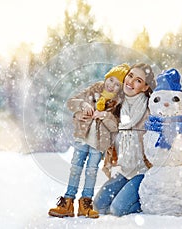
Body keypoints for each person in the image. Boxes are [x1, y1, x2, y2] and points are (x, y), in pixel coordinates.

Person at [48, 63, 130, 218]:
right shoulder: (95, 89)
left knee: (91, 171)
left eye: (118, 84)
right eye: (111, 80)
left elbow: (115, 127)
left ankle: (86, 202)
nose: (112, 85)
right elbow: (71, 102)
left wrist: (105, 116)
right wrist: (82, 105)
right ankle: (68, 201)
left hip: (99, 143)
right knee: (75, 167)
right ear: (107, 77)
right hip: (82, 137)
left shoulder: (118, 103)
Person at [93, 62, 157, 217]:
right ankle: (127, 190)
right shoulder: (118, 105)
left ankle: (150, 201)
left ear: (145, 87)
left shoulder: (150, 110)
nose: (130, 81)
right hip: (125, 169)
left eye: (138, 80)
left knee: (118, 209)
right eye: (130, 76)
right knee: (98, 205)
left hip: (143, 171)